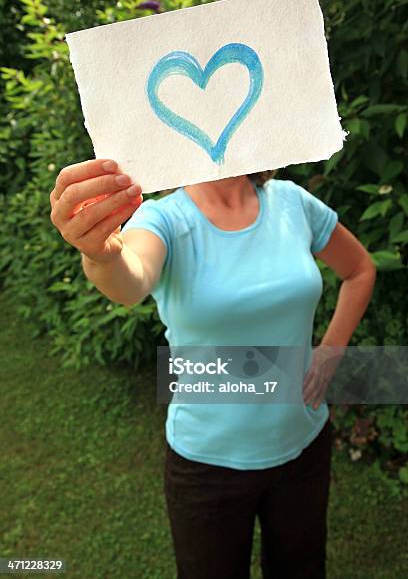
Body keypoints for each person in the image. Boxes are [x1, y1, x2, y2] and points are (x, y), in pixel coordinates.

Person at [50, 159, 376, 578]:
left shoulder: (294, 203)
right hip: (208, 466)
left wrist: (330, 353)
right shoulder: (163, 219)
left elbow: (360, 269)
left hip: (303, 446)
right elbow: (129, 281)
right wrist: (101, 257)